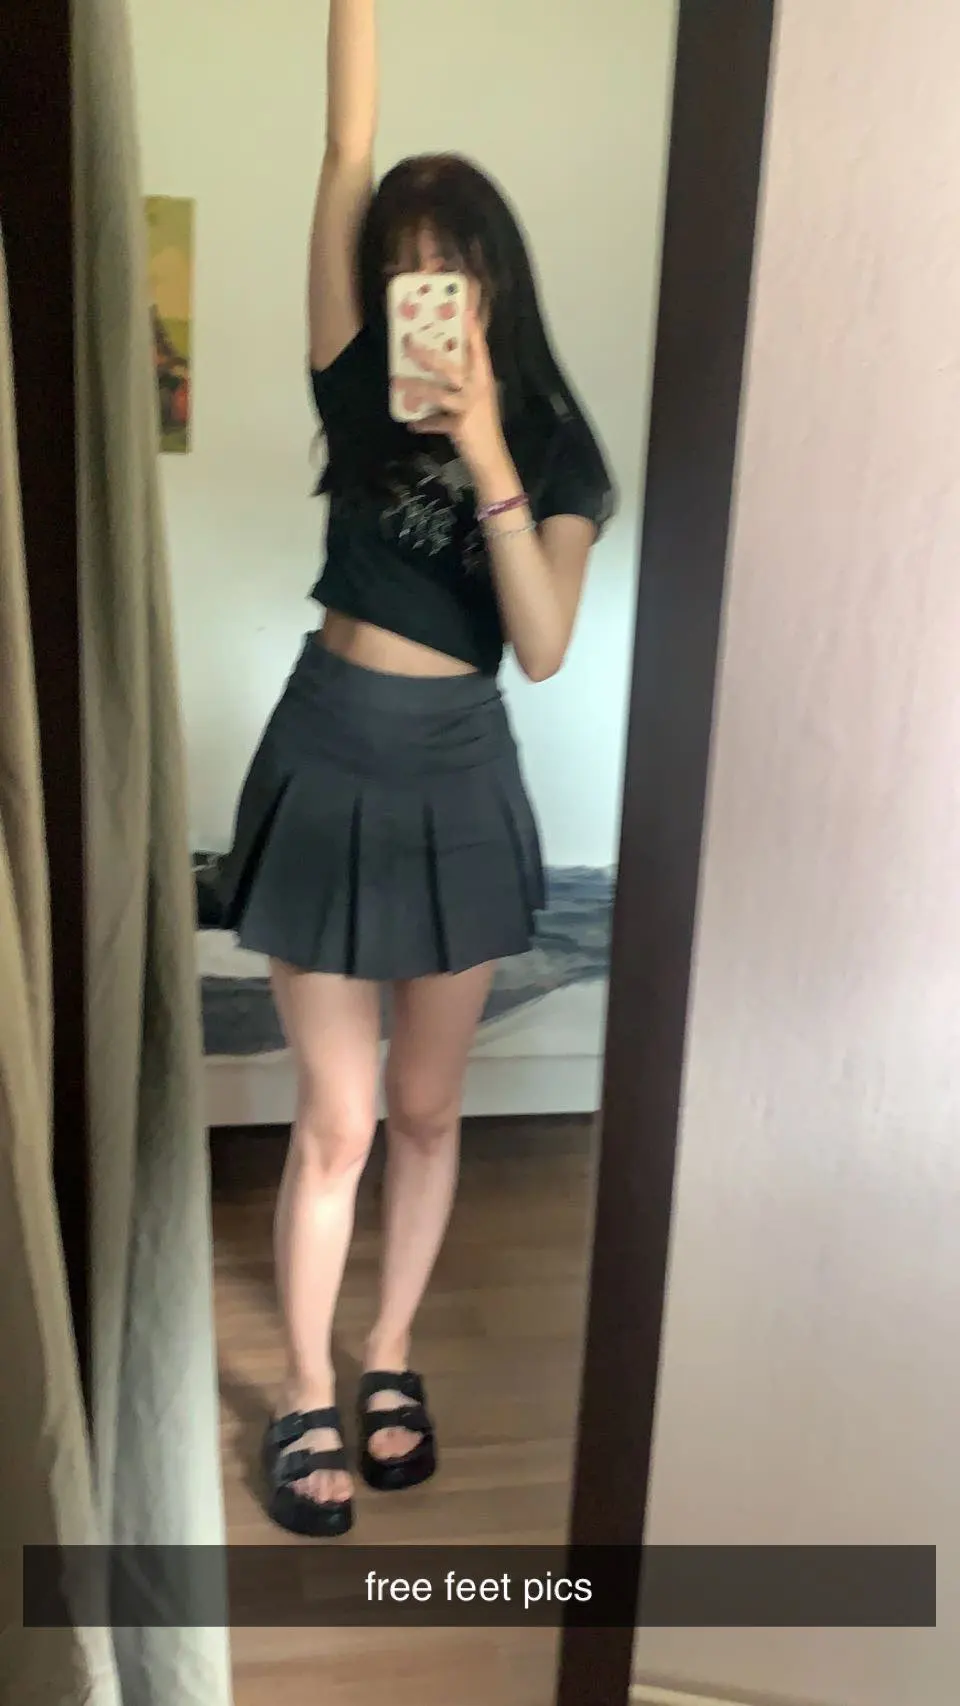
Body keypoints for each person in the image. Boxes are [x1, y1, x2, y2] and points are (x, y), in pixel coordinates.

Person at [218, 0, 615, 1539]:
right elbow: (345, 145)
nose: (420, 291)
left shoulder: (559, 445)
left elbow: (545, 642)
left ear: (494, 277)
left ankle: (392, 1353)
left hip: (459, 775)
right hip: (328, 750)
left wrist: (493, 447)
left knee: (432, 1108)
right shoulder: (350, 383)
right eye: (401, 267)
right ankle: (305, 1384)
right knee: (340, 1119)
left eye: (446, 266)